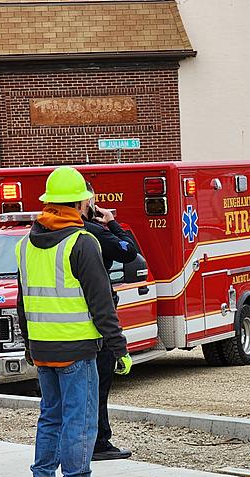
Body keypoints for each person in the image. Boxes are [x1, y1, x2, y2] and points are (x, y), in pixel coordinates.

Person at [17, 165, 132, 477]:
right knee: (80, 422)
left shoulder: (25, 244)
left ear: (49, 204)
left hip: (43, 348)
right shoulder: (82, 243)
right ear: (82, 203)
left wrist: (29, 346)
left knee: (50, 419)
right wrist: (119, 347)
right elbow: (101, 302)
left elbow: (22, 302)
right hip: (78, 349)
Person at [81, 183, 141, 461]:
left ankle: (78, 443)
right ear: (85, 203)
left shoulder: (40, 236)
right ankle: (98, 443)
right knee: (98, 386)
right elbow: (131, 252)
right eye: (92, 200)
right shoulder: (94, 234)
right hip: (95, 328)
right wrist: (112, 223)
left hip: (57, 333)